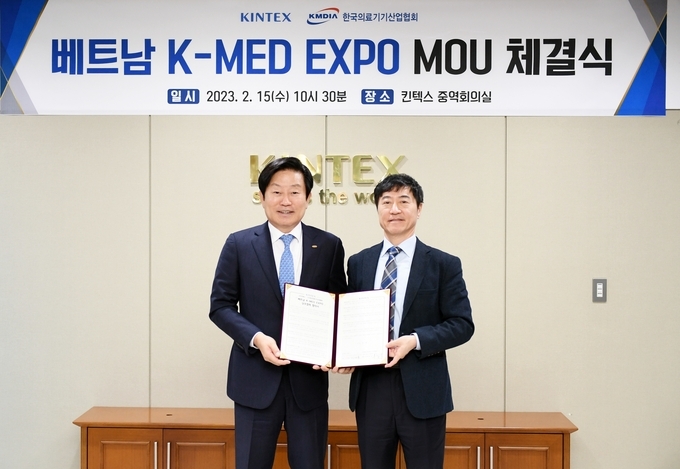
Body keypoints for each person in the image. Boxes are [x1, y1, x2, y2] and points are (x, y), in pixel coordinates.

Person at [209, 157, 347, 469]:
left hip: (308, 385)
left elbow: (338, 307)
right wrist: (256, 338)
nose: (286, 201)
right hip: (254, 381)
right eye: (276, 191)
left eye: (295, 192)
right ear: (262, 197)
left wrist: (338, 350)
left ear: (308, 198)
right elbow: (220, 306)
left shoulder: (328, 246)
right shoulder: (239, 244)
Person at [346, 173, 474, 469]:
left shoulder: (443, 264)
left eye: (403, 201)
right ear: (377, 209)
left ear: (419, 208)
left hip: (423, 390)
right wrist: (343, 352)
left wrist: (415, 340)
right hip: (371, 389)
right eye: (386, 202)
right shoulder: (359, 262)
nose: (394, 209)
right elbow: (350, 318)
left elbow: (462, 324)